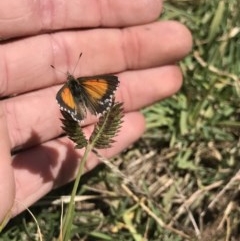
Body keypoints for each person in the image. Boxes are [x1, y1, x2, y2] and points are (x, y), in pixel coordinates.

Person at [0, 0, 192, 223]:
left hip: (81, 101)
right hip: (84, 101)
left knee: (83, 104)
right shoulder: (69, 90)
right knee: (83, 105)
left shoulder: (67, 91)